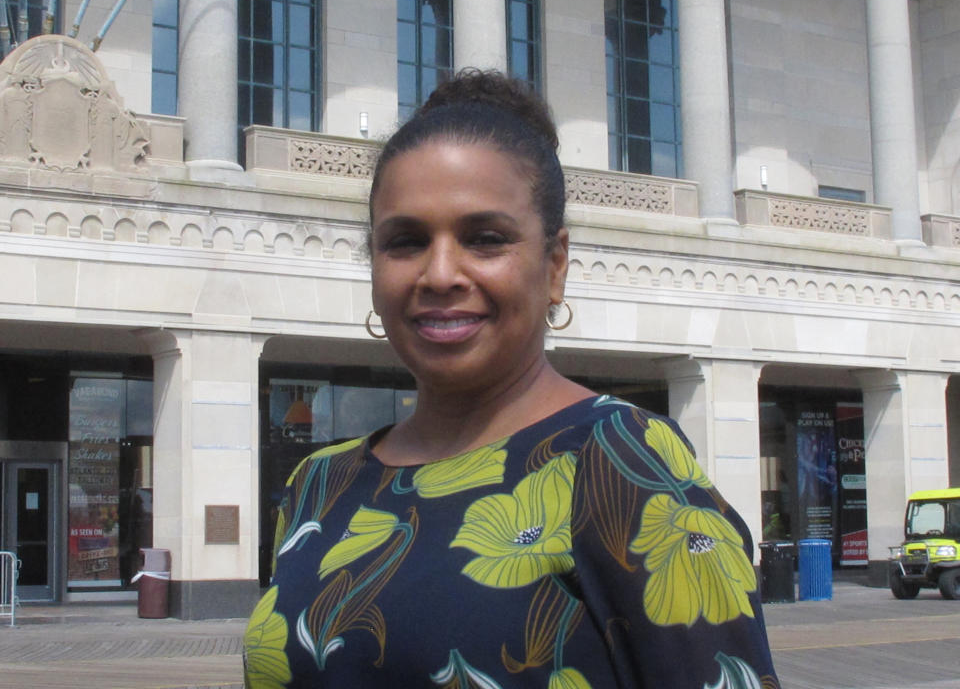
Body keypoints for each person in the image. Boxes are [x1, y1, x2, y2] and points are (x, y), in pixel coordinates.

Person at [243, 69, 781, 688]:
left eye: (485, 239)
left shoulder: (625, 465)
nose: (440, 273)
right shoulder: (318, 486)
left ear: (555, 266)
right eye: (406, 241)